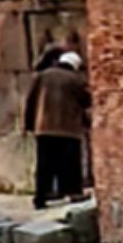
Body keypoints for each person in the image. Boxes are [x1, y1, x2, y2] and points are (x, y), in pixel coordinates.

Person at [24, 49, 90, 210]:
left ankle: (41, 196)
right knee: (70, 163)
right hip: (68, 129)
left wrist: (30, 124)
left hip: (44, 127)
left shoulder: (41, 76)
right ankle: (73, 192)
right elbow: (86, 100)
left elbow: (30, 101)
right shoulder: (75, 79)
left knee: (44, 164)